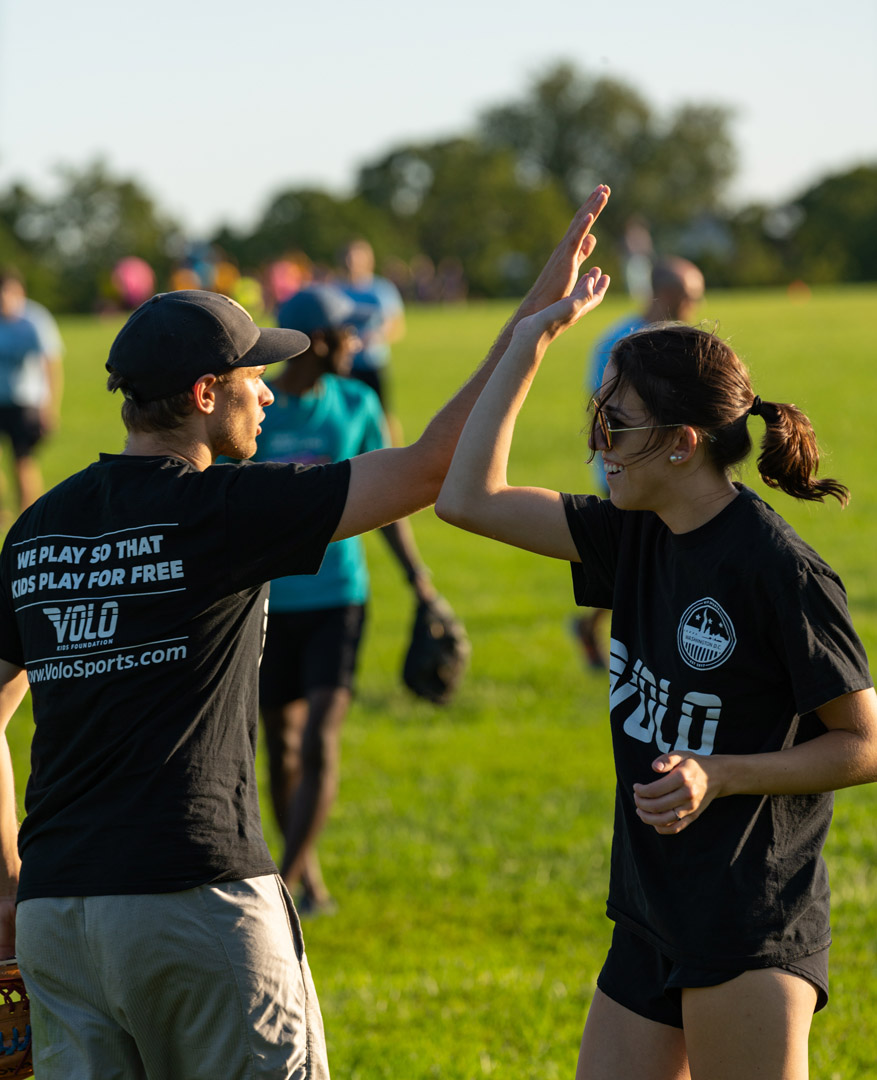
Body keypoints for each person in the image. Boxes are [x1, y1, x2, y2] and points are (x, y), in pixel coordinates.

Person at [0, 183, 611, 1080]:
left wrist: (12, 881)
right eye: (253, 377)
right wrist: (531, 331)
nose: (269, 397)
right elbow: (430, 468)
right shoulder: (225, 508)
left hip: (59, 918)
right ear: (205, 394)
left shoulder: (37, 527)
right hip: (194, 900)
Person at [436, 282, 877, 1079]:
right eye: (594, 419)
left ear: (681, 443)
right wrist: (530, 341)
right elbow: (468, 499)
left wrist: (723, 774)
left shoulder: (776, 571)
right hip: (649, 910)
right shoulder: (630, 534)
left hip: (747, 921)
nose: (597, 442)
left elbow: (864, 744)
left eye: (615, 424)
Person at [251, 283, 436, 915]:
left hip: (339, 597)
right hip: (269, 604)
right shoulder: (258, 409)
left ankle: (286, 878)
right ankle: (306, 877)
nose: (360, 344)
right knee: (281, 743)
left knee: (321, 740)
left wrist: (420, 582)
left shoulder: (357, 402)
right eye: (350, 334)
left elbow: (387, 505)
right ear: (320, 342)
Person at [572, 256, 704, 670]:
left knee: (642, 567)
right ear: (665, 295)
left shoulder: (683, 338)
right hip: (630, 474)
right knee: (643, 567)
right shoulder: (619, 342)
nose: (695, 306)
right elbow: (606, 413)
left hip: (676, 471)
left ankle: (599, 631)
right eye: (690, 297)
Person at [0, 269, 64, 518]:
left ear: (20, 294)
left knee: (22, 462)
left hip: (25, 402)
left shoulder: (35, 321)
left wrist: (49, 406)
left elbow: (51, 365)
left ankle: (28, 516)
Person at [338, 238, 405, 417]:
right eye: (349, 258)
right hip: (345, 365)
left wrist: (378, 336)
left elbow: (396, 324)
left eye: (357, 258)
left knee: (382, 414)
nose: (352, 263)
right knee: (348, 414)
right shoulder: (338, 290)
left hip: (373, 363)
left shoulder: (381, 289)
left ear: (369, 260)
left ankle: (394, 445)